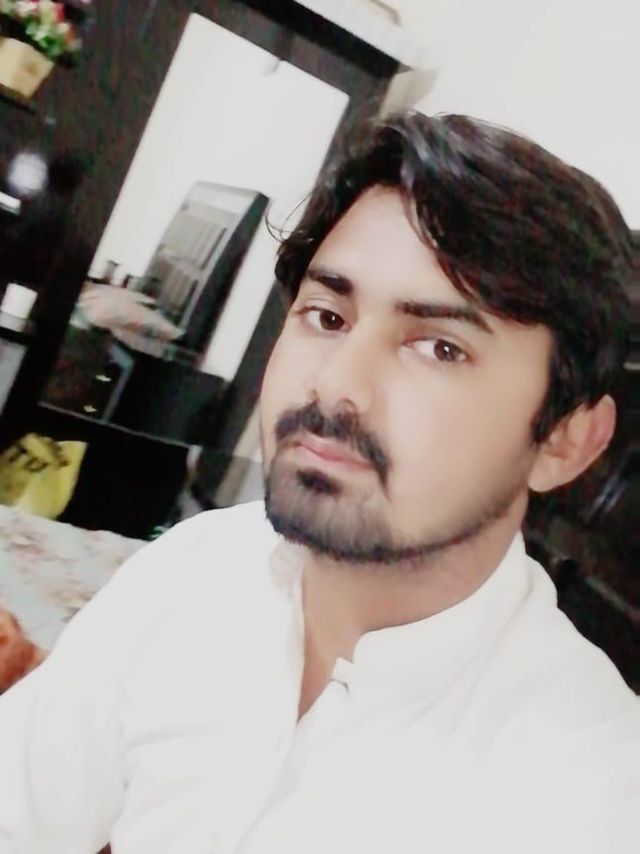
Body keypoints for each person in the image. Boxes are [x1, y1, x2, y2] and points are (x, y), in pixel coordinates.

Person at [0, 111, 637, 854]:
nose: (335, 384)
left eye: (439, 347)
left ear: (565, 439)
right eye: (328, 316)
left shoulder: (590, 792)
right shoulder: (197, 567)